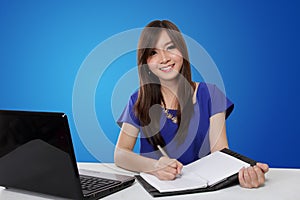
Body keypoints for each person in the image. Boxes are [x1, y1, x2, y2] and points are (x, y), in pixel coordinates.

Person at [114, 19, 268, 188]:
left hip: (203, 189)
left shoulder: (211, 94)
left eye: (170, 47)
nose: (164, 58)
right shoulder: (138, 99)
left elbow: (220, 153)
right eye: (153, 53)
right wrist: (154, 166)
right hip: (154, 189)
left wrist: (245, 173)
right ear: (146, 63)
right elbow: (120, 155)